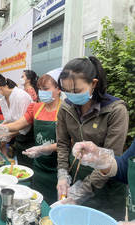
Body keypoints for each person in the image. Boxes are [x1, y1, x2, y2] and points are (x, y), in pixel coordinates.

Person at [56, 56, 128, 221]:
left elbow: (110, 159)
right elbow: (63, 144)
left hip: (108, 185)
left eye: (76, 91)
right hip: (78, 176)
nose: (71, 96)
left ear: (93, 83)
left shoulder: (115, 110)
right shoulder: (66, 107)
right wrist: (62, 175)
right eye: (67, 91)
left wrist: (80, 193)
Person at [0, 68, 62, 204]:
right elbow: (19, 124)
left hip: (57, 167)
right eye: (40, 88)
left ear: (59, 89)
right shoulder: (36, 108)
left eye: (46, 88)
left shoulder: (65, 110)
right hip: (38, 165)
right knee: (35, 197)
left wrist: (44, 148)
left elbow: (68, 142)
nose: (41, 92)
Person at [0, 72, 33, 157]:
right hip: (18, 136)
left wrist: (8, 134)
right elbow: (9, 119)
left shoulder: (21, 96)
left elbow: (24, 125)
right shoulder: (3, 100)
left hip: (28, 137)